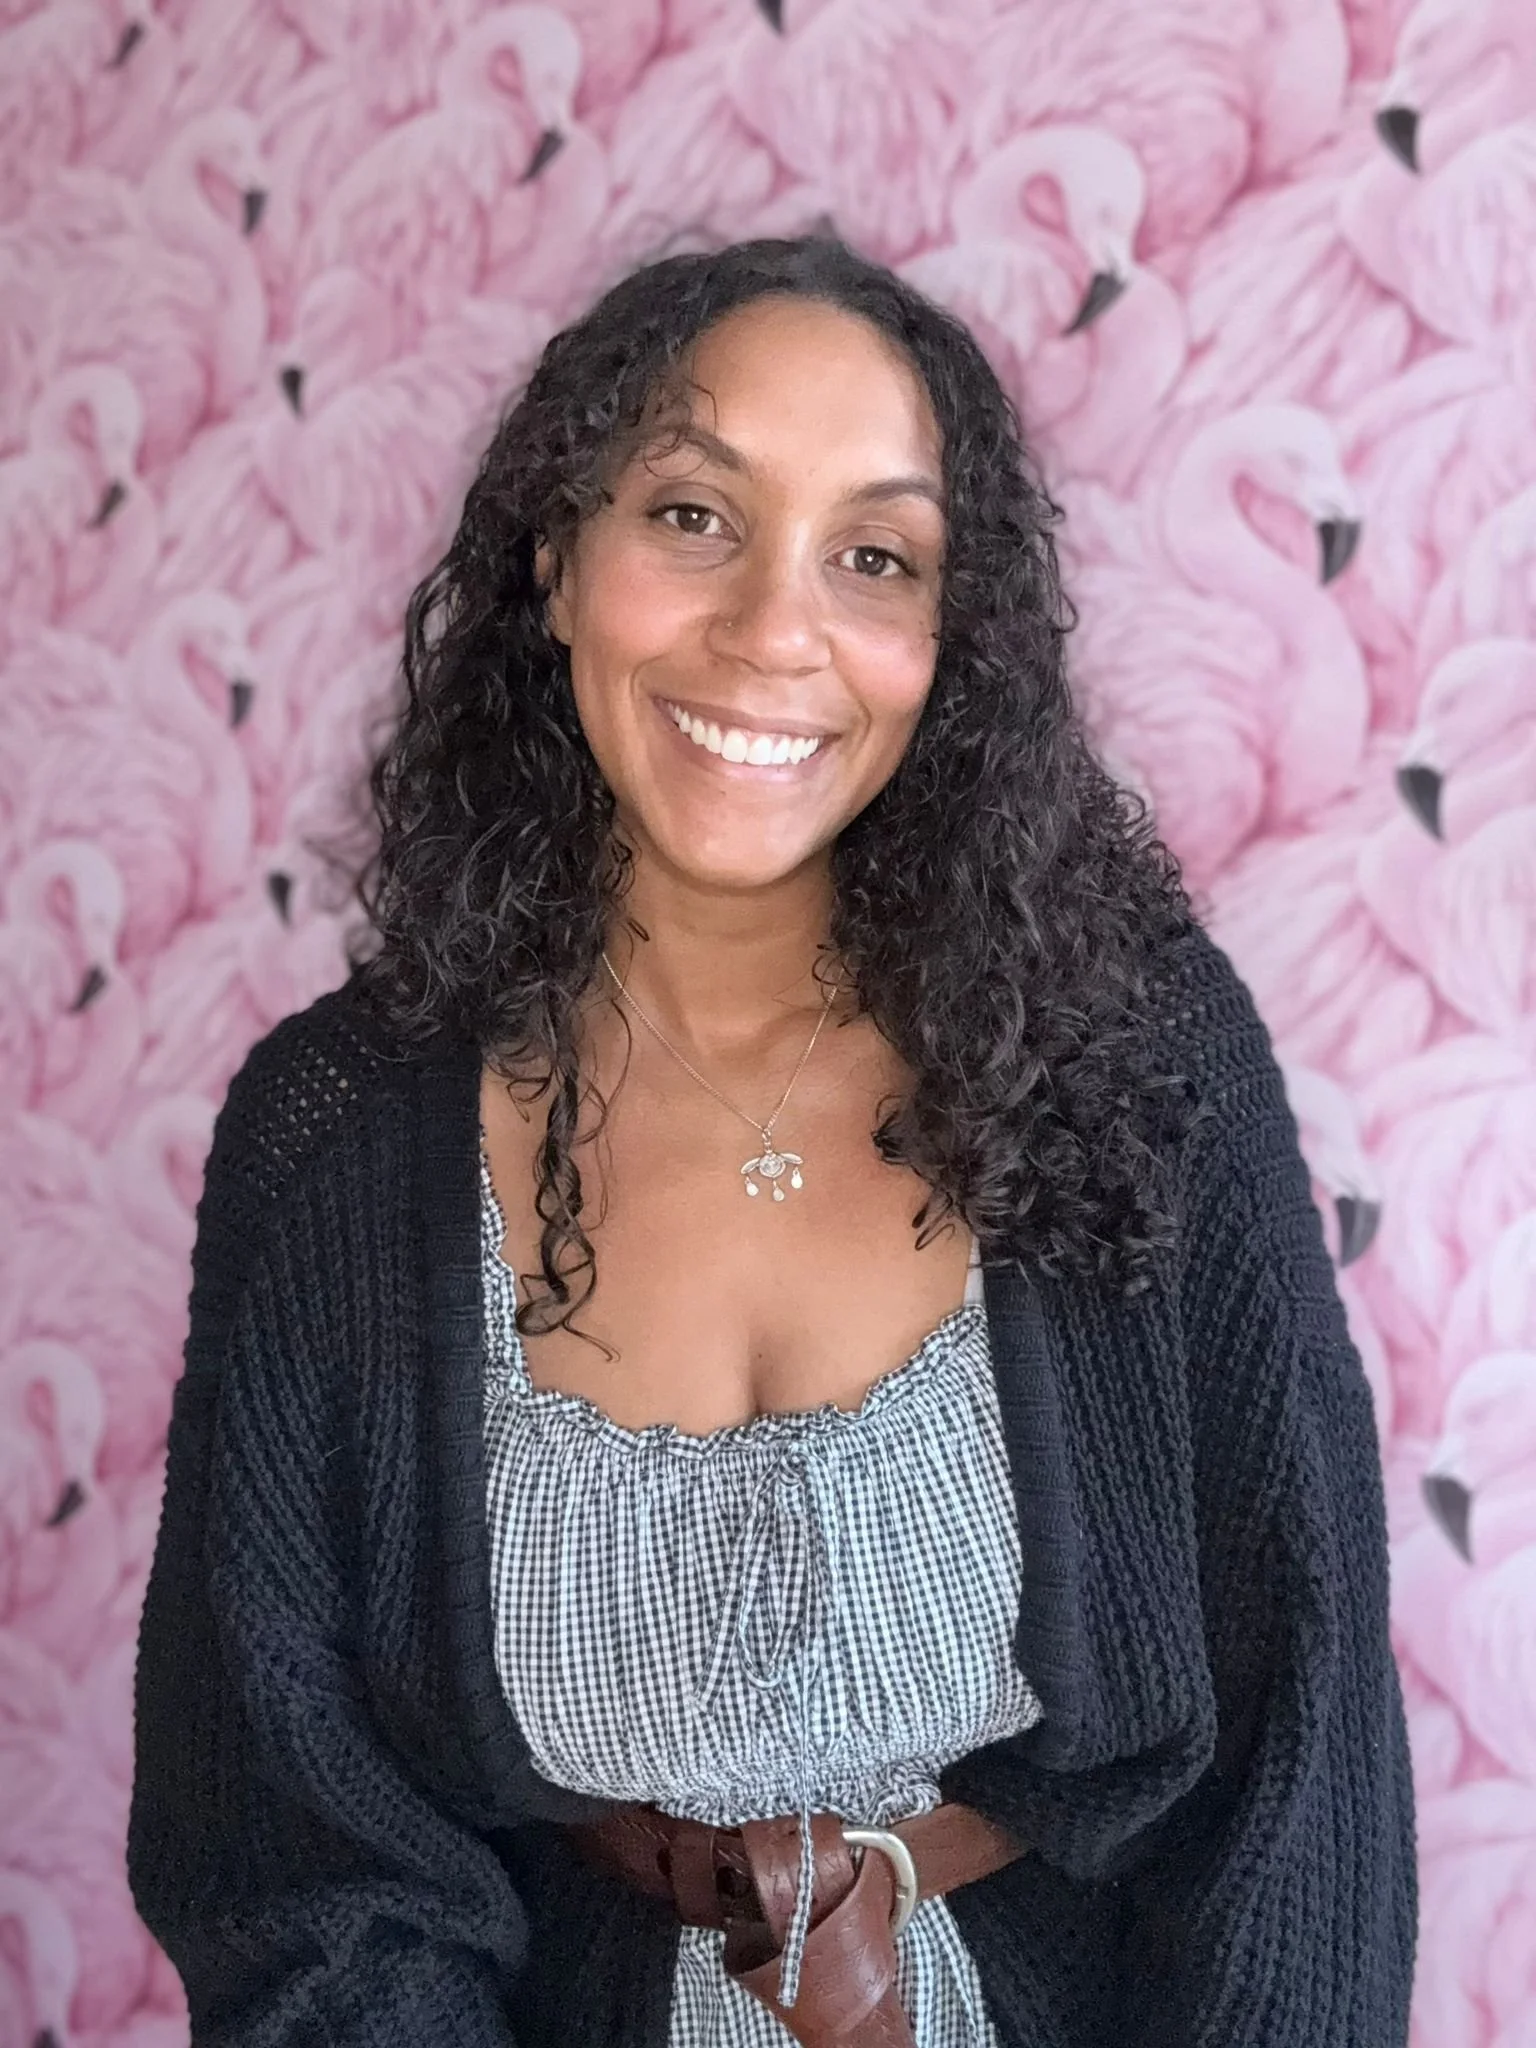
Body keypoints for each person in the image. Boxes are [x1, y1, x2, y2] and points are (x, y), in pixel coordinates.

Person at [128, 236, 1418, 2047]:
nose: (773, 631)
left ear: (950, 640)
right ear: (554, 559)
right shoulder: (335, 1140)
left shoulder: (1136, 1057)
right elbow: (292, 1846)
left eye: (875, 557)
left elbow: (1303, 1766)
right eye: (692, 517)